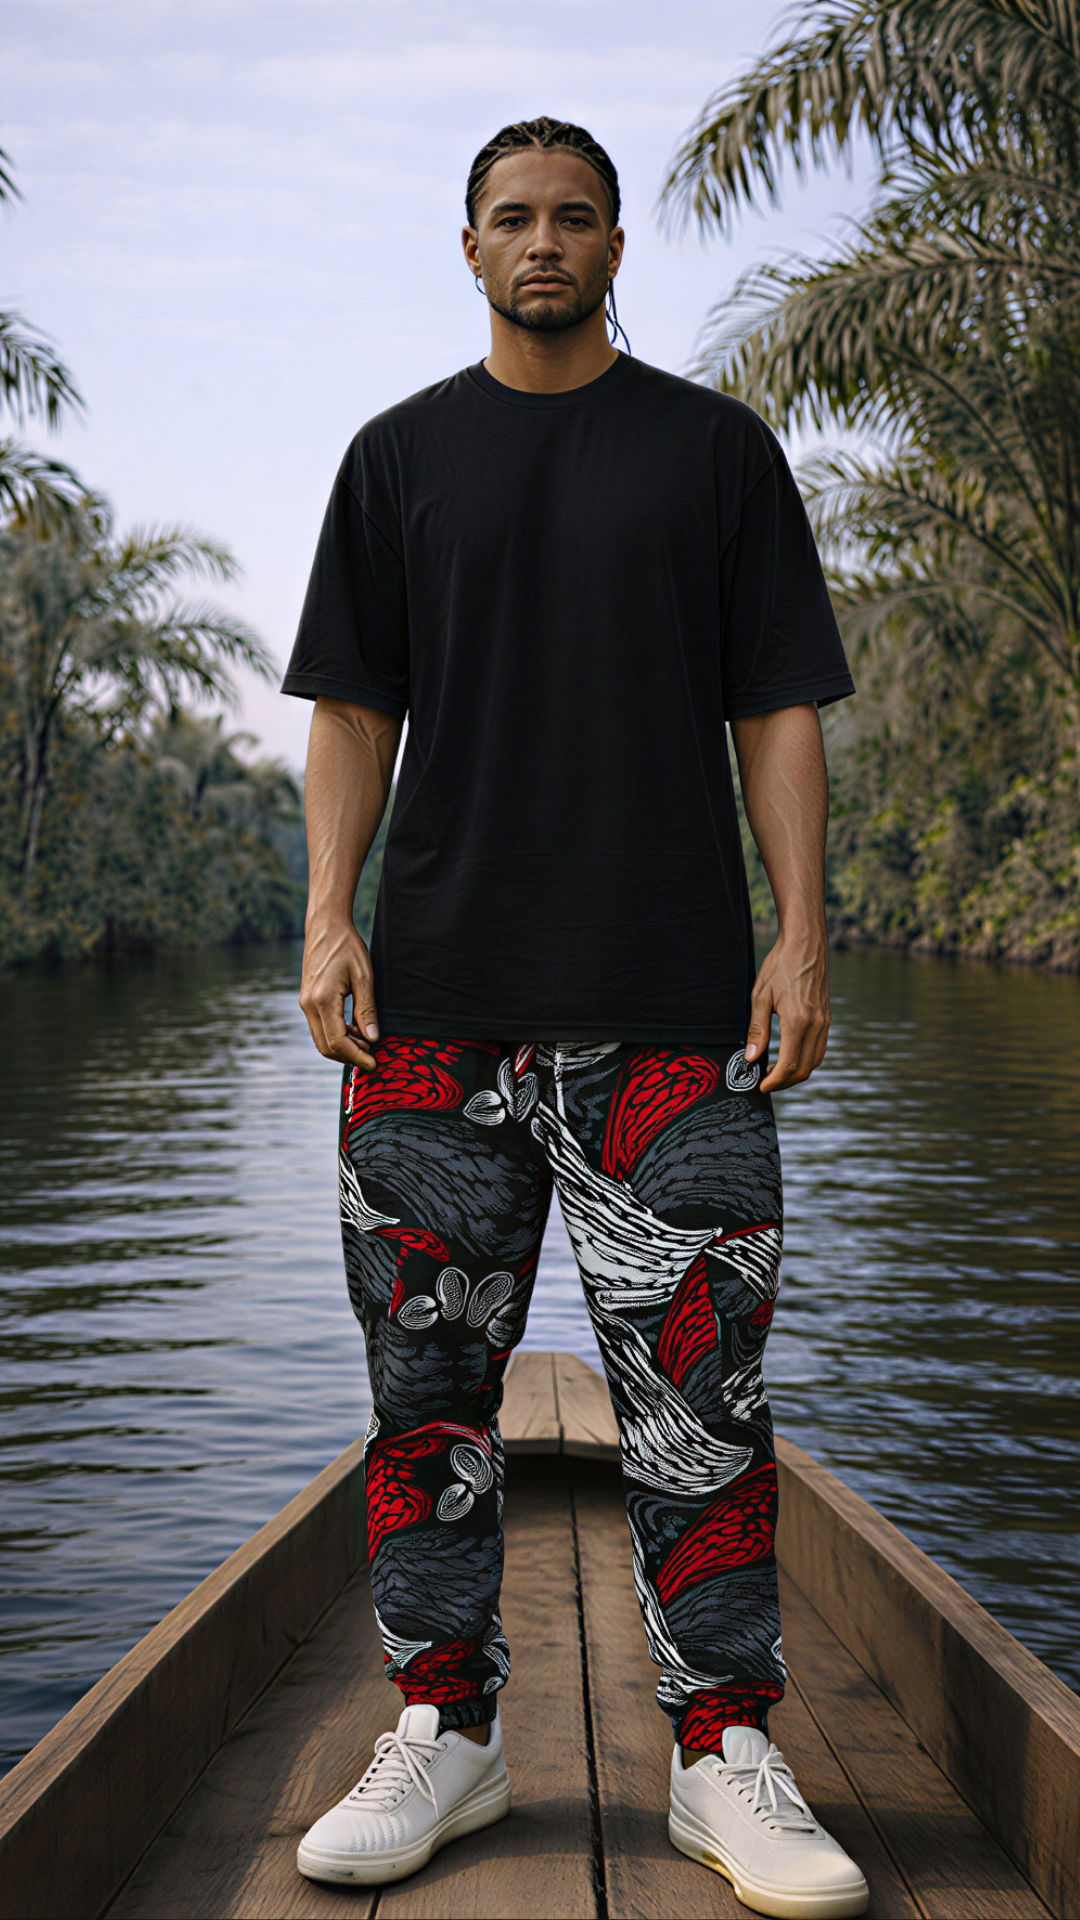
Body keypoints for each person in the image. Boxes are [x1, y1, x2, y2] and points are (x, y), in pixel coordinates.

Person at [283, 116, 869, 1920]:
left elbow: (778, 704)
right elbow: (353, 713)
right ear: (468, 247)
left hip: (673, 1015)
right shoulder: (398, 459)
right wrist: (327, 914)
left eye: (576, 217)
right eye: (513, 217)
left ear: (618, 246)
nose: (544, 241)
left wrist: (802, 936)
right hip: (433, 1020)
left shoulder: (714, 452)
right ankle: (446, 1733)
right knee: (426, 1404)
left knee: (704, 1406)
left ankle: (720, 1756)